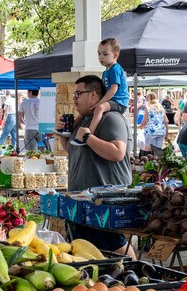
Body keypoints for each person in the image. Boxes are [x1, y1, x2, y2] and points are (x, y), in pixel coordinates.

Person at [56, 75, 135, 259]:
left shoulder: (111, 119)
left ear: (93, 94)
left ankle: (137, 275)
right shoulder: (84, 121)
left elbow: (117, 152)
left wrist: (88, 137)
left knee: (113, 245)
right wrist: (63, 134)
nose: (74, 98)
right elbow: (74, 150)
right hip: (81, 202)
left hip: (104, 202)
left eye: (78, 93)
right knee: (86, 248)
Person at [71, 38, 129, 146]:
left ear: (115, 55)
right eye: (99, 54)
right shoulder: (105, 72)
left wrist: (99, 103)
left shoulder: (115, 69)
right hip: (112, 100)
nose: (101, 57)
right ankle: (71, 127)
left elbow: (113, 89)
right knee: (87, 110)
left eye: (105, 54)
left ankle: (89, 134)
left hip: (119, 101)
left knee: (99, 108)